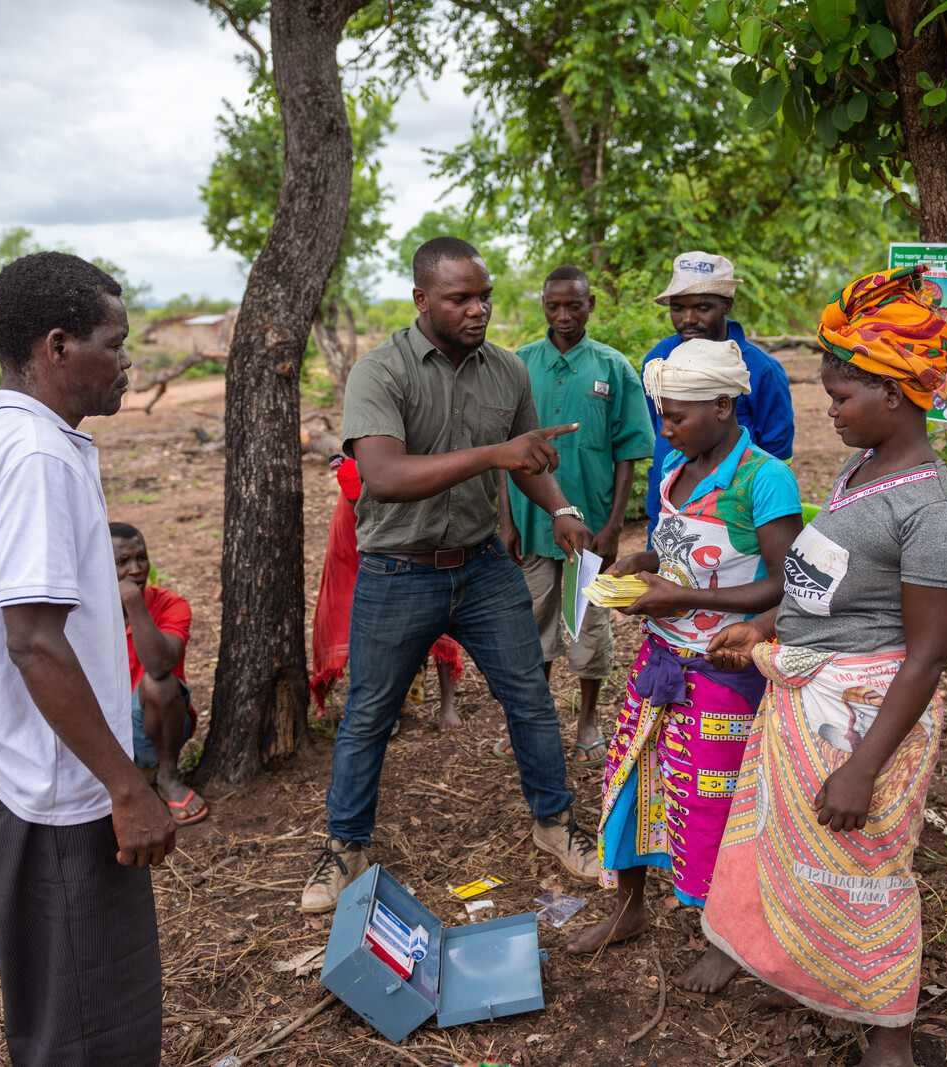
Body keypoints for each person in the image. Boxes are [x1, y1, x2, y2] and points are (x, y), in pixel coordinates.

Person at [700, 265, 947, 1067]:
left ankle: (888, 1030)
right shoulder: (864, 469)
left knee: (868, 868)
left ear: (895, 394)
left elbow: (928, 656)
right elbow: (826, 578)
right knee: (784, 845)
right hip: (811, 692)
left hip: (860, 718)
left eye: (844, 397)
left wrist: (863, 766)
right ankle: (788, 961)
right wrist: (764, 622)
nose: (831, 411)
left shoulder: (934, 513)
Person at [301, 236, 601, 914]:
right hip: (396, 570)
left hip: (482, 565)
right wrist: (493, 453)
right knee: (369, 713)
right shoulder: (381, 371)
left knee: (528, 694)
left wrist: (561, 508)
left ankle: (555, 824)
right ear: (420, 299)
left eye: (484, 296)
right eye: (459, 298)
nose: (479, 310)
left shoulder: (506, 371)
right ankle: (345, 848)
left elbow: (527, 458)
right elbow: (384, 475)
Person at [0, 251, 175, 1067]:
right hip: (49, 790)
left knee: (56, 1005)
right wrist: (126, 785)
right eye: (115, 343)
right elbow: (34, 639)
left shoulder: (24, 436)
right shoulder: (40, 457)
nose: (127, 362)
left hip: (13, 762)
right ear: (57, 347)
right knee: (86, 1031)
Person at [563, 338, 802, 992]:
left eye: (677, 415)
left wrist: (683, 595)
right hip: (663, 655)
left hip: (726, 668)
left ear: (725, 405)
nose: (664, 427)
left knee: (712, 799)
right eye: (662, 414)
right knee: (631, 777)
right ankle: (631, 905)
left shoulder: (764, 477)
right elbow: (673, 549)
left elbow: (786, 583)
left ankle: (725, 935)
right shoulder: (675, 467)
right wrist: (643, 567)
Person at [496, 265, 656, 765]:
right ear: (542, 306)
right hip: (530, 520)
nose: (563, 315)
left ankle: (587, 719)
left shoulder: (612, 367)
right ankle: (535, 719)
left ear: (590, 305)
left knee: (589, 626)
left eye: (574, 305)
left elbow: (629, 451)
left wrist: (613, 527)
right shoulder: (519, 363)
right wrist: (507, 520)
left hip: (591, 530)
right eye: (553, 306)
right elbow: (503, 452)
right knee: (532, 623)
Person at [642, 251, 795, 537]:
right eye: (677, 308)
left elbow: (777, 452)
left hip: (732, 518)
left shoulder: (761, 370)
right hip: (667, 502)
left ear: (727, 304)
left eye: (701, 307)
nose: (688, 319)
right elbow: (660, 424)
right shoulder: (658, 360)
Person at [311, 455, 464, 730]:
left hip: (408, 544)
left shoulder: (401, 480)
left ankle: (446, 704)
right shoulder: (355, 483)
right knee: (352, 625)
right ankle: (379, 705)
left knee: (436, 613)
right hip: (353, 554)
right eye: (356, 504)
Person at [110, 521, 208, 825]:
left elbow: (159, 665)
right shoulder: (80, 613)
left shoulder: (170, 604)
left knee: (159, 683)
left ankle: (166, 777)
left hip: (151, 731)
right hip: (103, 733)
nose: (136, 569)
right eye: (122, 562)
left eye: (141, 558)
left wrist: (133, 604)